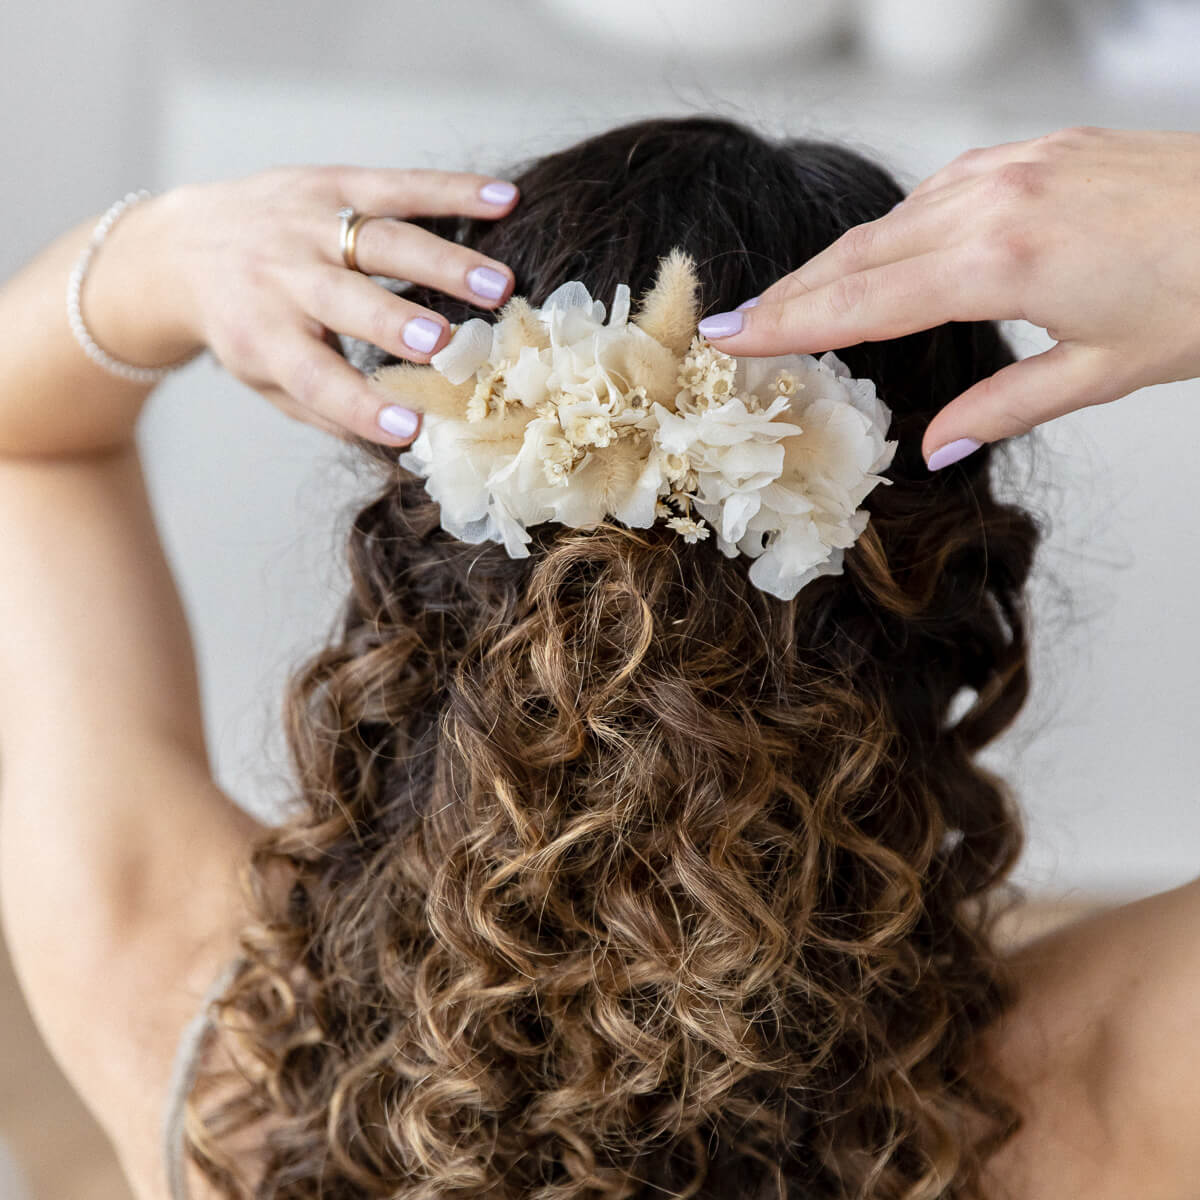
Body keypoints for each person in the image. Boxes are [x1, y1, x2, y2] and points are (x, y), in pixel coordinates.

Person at [0, 114, 1195, 1200]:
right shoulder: (1111, 1084)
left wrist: (161, 255)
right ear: (943, 594)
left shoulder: (211, 1049)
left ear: (430, 585)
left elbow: (27, 449)